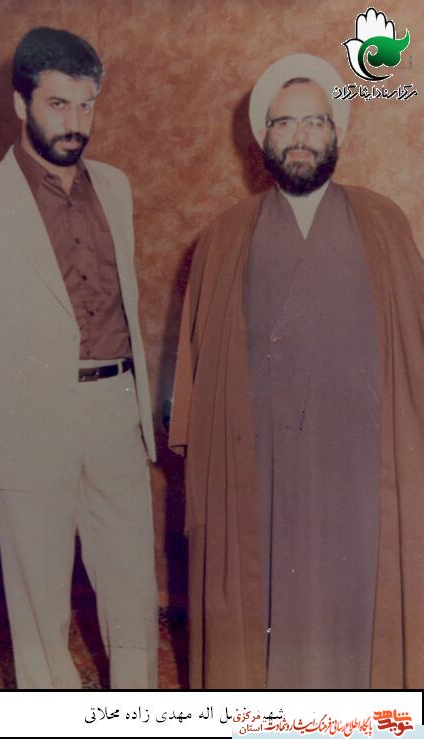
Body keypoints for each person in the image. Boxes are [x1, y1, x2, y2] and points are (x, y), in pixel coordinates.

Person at [169, 53, 423, 689]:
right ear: (263, 137)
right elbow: (201, 379)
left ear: (337, 133)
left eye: (315, 121)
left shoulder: (384, 223)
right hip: (261, 467)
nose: (300, 136)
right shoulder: (225, 238)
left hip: (363, 471)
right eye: (285, 123)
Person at [0, 27, 158, 689]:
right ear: (20, 103)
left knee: (132, 595)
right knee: (40, 614)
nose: (75, 123)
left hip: (115, 412)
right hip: (26, 421)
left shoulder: (114, 187)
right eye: (58, 104)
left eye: (86, 105)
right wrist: (5, 413)